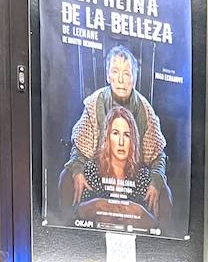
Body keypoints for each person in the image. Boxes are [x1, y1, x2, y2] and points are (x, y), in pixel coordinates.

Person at [61, 45, 169, 214]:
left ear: (133, 79)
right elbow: (79, 149)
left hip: (132, 178)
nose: (120, 80)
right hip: (99, 173)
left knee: (163, 194)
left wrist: (156, 181)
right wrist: (78, 172)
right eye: (115, 72)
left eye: (126, 74)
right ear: (107, 76)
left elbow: (157, 156)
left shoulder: (145, 110)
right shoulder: (94, 103)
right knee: (67, 179)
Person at [76, 108, 155, 216]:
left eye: (127, 135)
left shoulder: (144, 177)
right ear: (107, 138)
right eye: (115, 133)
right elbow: (78, 213)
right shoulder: (90, 171)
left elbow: (152, 222)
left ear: (133, 140)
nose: (121, 142)